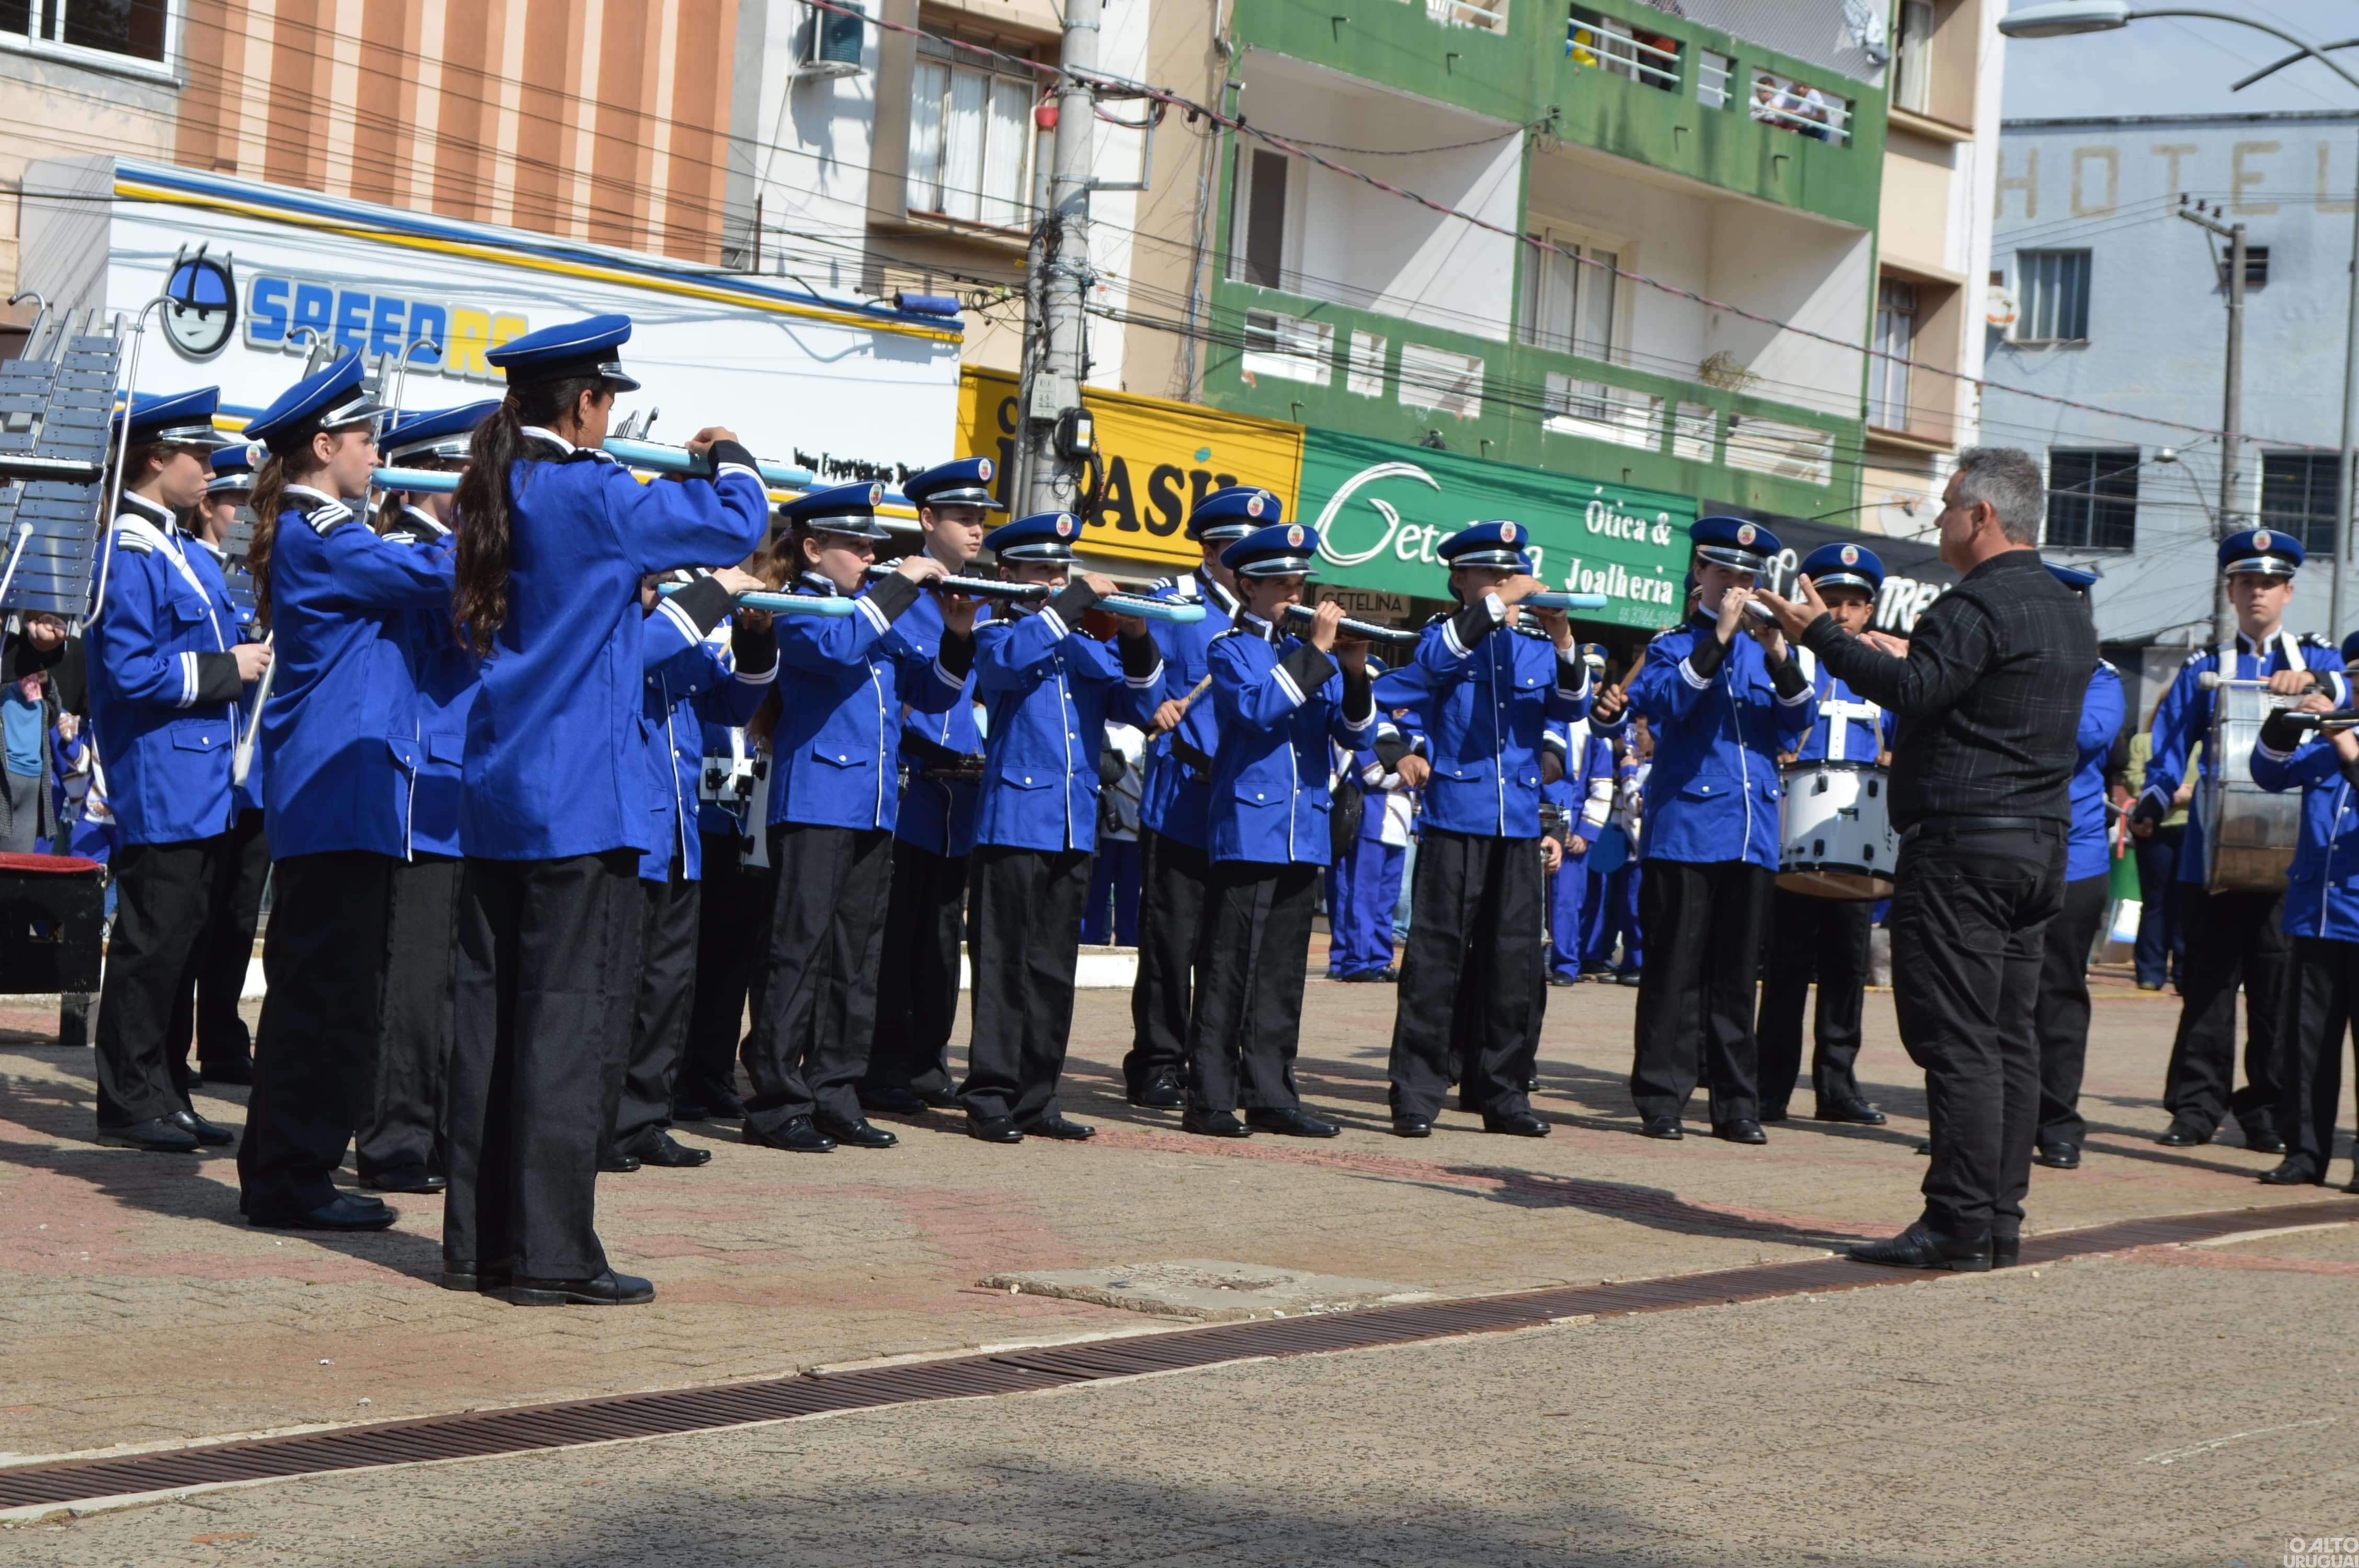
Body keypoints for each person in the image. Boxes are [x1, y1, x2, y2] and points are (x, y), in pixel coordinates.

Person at [445, 313, 768, 1306]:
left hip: (497, 787)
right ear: (587, 406)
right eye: (607, 401)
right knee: (567, 1027)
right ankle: (552, 1254)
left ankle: (482, 1244)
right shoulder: (588, 490)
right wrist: (730, 455)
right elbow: (735, 526)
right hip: (579, 796)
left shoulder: (495, 488)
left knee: (490, 1023)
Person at [1754, 446, 2098, 1272]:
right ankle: (1996, 1219)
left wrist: (1822, 636)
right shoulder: (2065, 608)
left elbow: (1910, 692)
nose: (1939, 522)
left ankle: (1954, 1222)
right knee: (2011, 1037)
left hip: (1965, 848)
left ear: (1981, 516)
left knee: (1957, 1039)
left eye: (1946, 508)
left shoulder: (1971, 606)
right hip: (2038, 846)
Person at [234, 354, 458, 1232]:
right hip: (335, 795)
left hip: (350, 793)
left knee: (330, 993)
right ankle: (290, 1178)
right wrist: (479, 523)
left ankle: (299, 1169)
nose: (378, 454)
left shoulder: (330, 529)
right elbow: (431, 582)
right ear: (324, 445)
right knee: (318, 997)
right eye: (366, 439)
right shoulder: (320, 534)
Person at [742, 483, 967, 1154]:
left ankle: (836, 1090)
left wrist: (958, 633)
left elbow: (935, 693)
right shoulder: (804, 606)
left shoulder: (874, 612)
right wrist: (896, 586)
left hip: (873, 807)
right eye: (857, 544)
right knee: (797, 952)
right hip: (814, 804)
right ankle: (778, 1098)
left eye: (874, 545)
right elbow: (836, 650)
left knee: (857, 959)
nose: (871, 554)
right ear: (813, 548)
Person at [1591, 520, 1815, 1144]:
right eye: (1725, 575)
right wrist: (1716, 637)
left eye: (1746, 577)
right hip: (1687, 828)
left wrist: (1776, 652)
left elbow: (1800, 719)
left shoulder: (1764, 647)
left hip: (1751, 833)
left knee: (1738, 976)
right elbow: (1668, 702)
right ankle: (1662, 1097)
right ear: (1699, 574)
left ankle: (1735, 1104)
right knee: (1674, 971)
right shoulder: (1671, 645)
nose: (1738, 587)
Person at [85, 387, 265, 1155]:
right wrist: (230, 666)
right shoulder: (129, 549)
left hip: (202, 779)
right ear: (157, 459)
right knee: (151, 943)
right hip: (162, 774)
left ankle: (166, 1091)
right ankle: (128, 1098)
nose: (211, 468)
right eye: (200, 455)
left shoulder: (180, 548)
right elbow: (130, 671)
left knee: (182, 942)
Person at [2131, 528, 2346, 1155]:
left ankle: (2269, 1110)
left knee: (2277, 991)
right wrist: (2151, 797)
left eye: (2269, 583)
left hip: (2293, 861)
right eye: (2246, 582)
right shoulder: (2205, 669)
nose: (2258, 592)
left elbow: (2348, 697)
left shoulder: (2320, 659)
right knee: (2207, 986)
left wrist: (2317, 686)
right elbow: (2170, 751)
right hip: (2210, 852)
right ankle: (2195, 1108)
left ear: (2289, 592)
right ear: (2229, 591)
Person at [1371, 521, 1587, 1139]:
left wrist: (1564, 638)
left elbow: (1571, 709)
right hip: (1454, 820)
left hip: (1518, 825)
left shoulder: (1533, 646)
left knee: (1513, 966)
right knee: (1434, 963)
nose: (1505, 584)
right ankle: (1415, 1092)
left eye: (1510, 573)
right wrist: (1499, 605)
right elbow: (1427, 670)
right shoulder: (1444, 636)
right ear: (1460, 579)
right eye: (1490, 575)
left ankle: (1503, 1092)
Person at [960, 511, 1163, 1143]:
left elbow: (1144, 706)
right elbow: (1000, 674)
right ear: (1009, 573)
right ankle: (990, 1096)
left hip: (1075, 824)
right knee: (1004, 965)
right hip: (1015, 821)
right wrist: (1070, 603)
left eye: (1061, 568)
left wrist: (1134, 635)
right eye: (1042, 568)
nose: (1055, 577)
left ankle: (1036, 1097)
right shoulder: (999, 632)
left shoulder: (1081, 643)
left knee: (1052, 969)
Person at [1182, 523, 1375, 1139]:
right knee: (1227, 966)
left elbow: (1354, 737)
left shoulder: (1310, 656)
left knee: (1283, 971)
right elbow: (1259, 709)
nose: (1297, 592)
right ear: (1248, 584)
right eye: (1284, 583)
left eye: (1301, 581)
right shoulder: (1231, 648)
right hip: (1249, 825)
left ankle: (1271, 1092)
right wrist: (1317, 654)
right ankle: (1209, 1097)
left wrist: (1354, 670)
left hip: (1305, 828)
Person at [349, 400, 494, 1195]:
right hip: (419, 791)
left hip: (455, 790)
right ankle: (395, 1137)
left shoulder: (449, 552)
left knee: (443, 982)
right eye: (464, 475)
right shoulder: (411, 551)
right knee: (410, 983)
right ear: (422, 478)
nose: (476, 490)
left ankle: (429, 1127)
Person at [603, 568, 776, 1171]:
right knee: (621, 989)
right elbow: (640, 658)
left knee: (667, 988)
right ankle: (602, 1124)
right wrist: (702, 603)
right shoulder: (626, 624)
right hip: (632, 831)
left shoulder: (683, 633)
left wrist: (755, 639)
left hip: (681, 833)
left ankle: (645, 1119)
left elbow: (731, 704)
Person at [863, 457, 1001, 1115]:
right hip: (913, 784)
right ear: (928, 522)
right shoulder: (903, 592)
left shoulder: (985, 597)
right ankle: (885, 1064)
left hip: (963, 793)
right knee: (898, 935)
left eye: (981, 520)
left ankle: (926, 1061)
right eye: (964, 519)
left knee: (944, 941)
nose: (976, 531)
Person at [1124, 487, 1267, 1108]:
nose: (1248, 563)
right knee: (1169, 942)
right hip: (1183, 793)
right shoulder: (1173, 603)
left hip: (1245, 805)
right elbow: (1134, 677)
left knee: (1227, 946)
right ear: (1209, 551)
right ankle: (1157, 1060)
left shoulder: (1269, 616)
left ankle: (1214, 1060)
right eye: (1237, 550)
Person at [1754, 541, 1891, 1126]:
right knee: (1785, 968)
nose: (1840, 613)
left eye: (1852, 604)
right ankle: (1770, 1087)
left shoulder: (1886, 671)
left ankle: (1837, 1086)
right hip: (1795, 836)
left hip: (1858, 841)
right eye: (1829, 601)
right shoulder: (1792, 663)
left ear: (1870, 611)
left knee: (1845, 968)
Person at [163, 444, 271, 1090]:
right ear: (209, 507)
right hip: (210, 766)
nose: (247, 515)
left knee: (238, 917)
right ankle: (179, 1051)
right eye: (237, 503)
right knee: (199, 916)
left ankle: (224, 1040)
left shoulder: (257, 575)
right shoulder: (194, 566)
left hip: (254, 770)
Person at [2029, 564, 2125, 1172]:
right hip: (2008, 851)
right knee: (1993, 999)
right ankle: (1985, 1119)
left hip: (2076, 857)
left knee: (2059, 996)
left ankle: (2059, 1123)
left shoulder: (2102, 678)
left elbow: (2087, 736)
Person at [2252, 691, 2359, 1192]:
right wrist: (2285, 718)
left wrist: (2348, 746)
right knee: (2307, 1047)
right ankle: (2305, 1153)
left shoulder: (2341, 742)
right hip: (2316, 916)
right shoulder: (2327, 743)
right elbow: (2268, 772)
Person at [1330, 684, 1419, 983]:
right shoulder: (1371, 728)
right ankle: (1355, 960)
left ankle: (1381, 958)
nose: (1405, 707)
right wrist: (1417, 776)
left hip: (1399, 825)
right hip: (1373, 821)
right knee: (1363, 897)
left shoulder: (1412, 733)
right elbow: (1374, 773)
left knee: (1387, 899)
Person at [2125, 719, 2191, 991]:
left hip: (2193, 829)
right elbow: (2133, 779)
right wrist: (2175, 795)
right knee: (2155, 902)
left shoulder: (2200, 741)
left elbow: (2208, 778)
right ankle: (2150, 971)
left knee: (2188, 903)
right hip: (2155, 829)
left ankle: (2185, 973)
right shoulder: (2142, 741)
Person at [1082, 723, 1146, 945]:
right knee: (1096, 896)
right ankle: (1091, 944)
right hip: (1103, 832)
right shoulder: (1098, 726)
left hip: (1135, 834)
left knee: (1129, 900)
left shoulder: (1142, 734)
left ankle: (1128, 947)